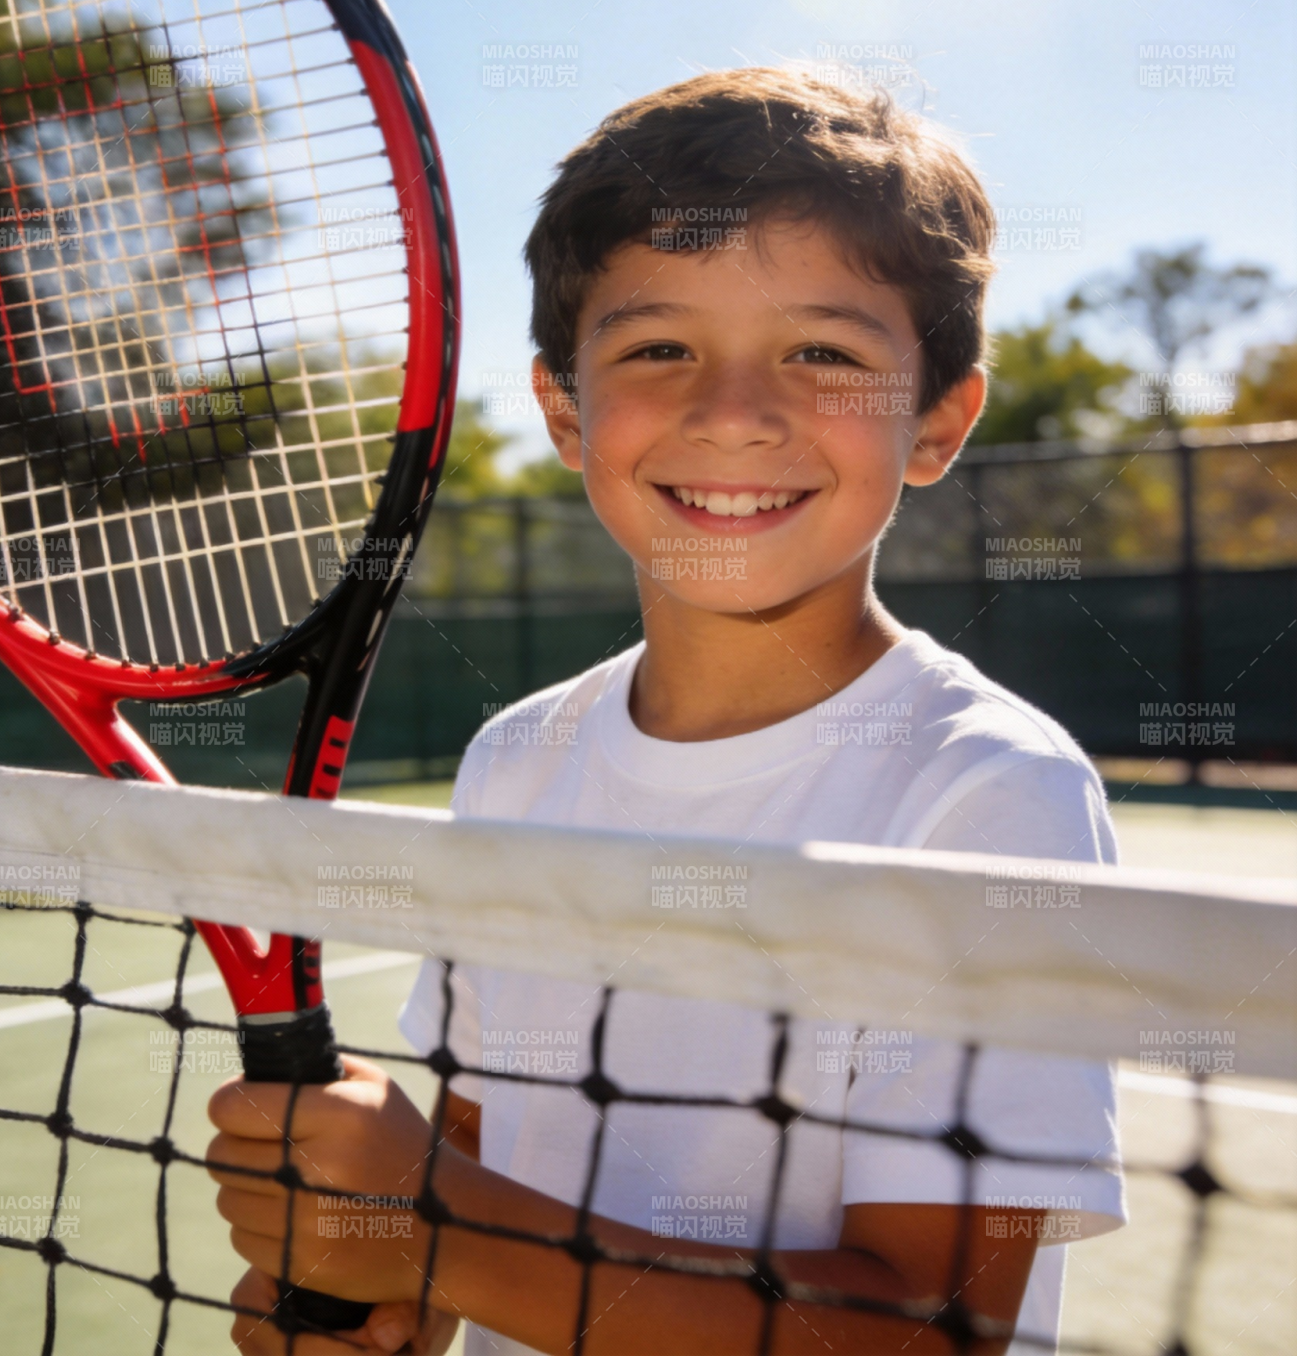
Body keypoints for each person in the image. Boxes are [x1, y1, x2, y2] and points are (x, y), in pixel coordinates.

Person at [207, 67, 1125, 1355]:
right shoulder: (516, 760)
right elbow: (478, 1161)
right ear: (563, 410)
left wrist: (437, 1233)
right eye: (658, 348)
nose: (734, 414)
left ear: (937, 420)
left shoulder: (986, 796)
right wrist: (387, 1297)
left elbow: (927, 1333)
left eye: (824, 351)